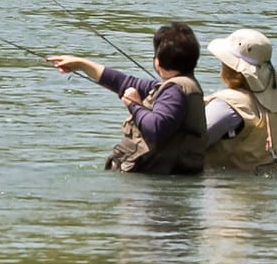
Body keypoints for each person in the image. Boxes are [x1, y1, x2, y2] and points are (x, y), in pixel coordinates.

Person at [46, 22, 207, 174]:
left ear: (158, 62)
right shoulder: (180, 85)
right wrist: (81, 64)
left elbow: (157, 128)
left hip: (159, 181)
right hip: (168, 175)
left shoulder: (174, 91)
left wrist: (133, 104)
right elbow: (124, 82)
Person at [203, 28, 277, 172]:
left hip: (229, 190)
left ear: (235, 72)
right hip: (272, 191)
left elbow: (190, 141)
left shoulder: (228, 105)